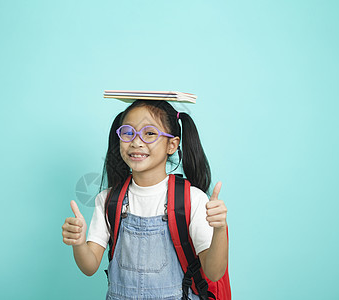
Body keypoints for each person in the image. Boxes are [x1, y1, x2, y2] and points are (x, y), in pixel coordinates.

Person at [62, 100, 228, 299]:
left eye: (149, 133)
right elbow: (89, 267)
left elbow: (214, 272)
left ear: (172, 144)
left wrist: (219, 229)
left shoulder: (192, 199)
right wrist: (79, 243)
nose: (136, 141)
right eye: (128, 132)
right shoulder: (108, 200)